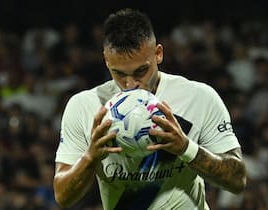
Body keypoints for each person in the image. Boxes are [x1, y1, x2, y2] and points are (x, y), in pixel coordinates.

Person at [53, 8, 247, 210]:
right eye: (118, 73)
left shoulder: (198, 98)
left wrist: (185, 148)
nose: (130, 84)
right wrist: (90, 157)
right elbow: (62, 196)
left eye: (141, 71)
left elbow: (237, 180)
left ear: (158, 54)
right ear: (106, 60)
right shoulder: (84, 106)